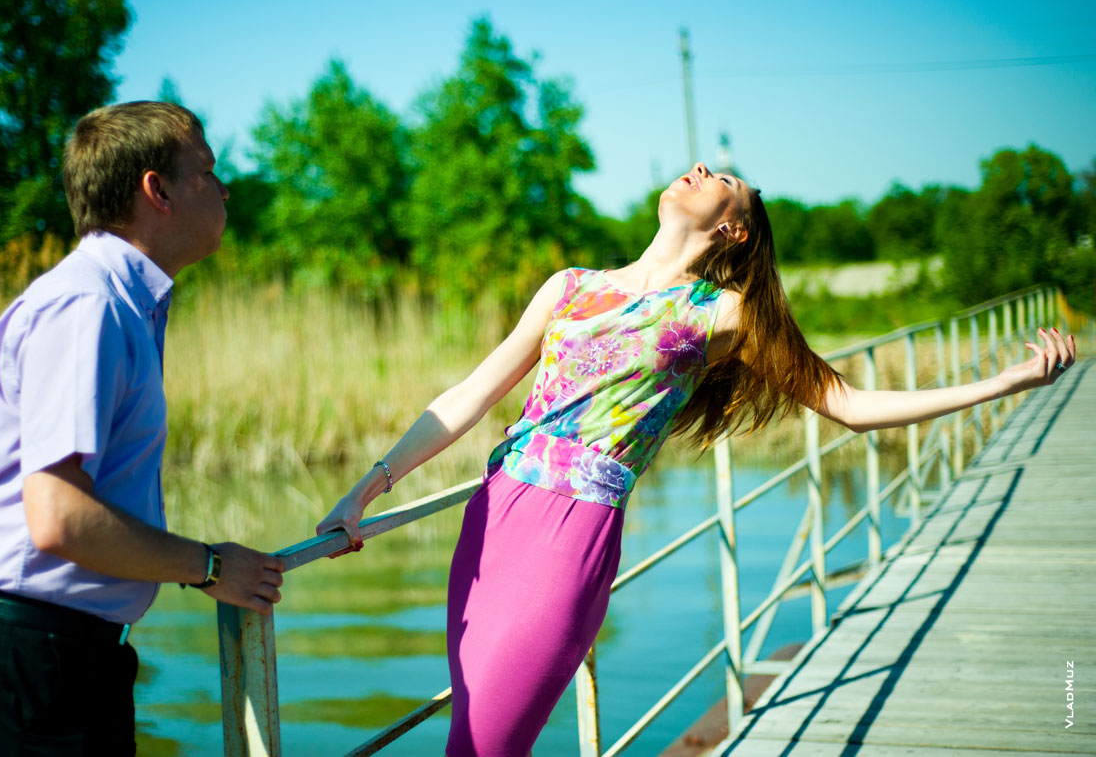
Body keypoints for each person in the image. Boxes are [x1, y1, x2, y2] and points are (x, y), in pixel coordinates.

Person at [316, 162, 1076, 756]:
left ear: (735, 230)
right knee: (470, 735)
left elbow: (847, 404)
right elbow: (470, 394)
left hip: (568, 537)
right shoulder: (571, 287)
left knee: (484, 748)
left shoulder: (725, 314)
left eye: (724, 182)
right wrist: (364, 493)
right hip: (492, 518)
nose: (702, 170)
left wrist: (1002, 382)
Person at [0, 101, 286, 755]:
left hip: (58, 659)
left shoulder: (121, 304)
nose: (225, 187)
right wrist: (208, 566)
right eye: (208, 170)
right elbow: (57, 516)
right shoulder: (88, 305)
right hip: (26, 663)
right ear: (159, 189)